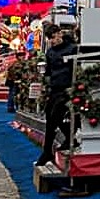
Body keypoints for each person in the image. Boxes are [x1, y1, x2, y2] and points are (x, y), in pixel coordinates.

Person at [35, 27, 78, 167]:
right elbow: (49, 71)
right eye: (51, 38)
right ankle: (68, 139)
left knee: (55, 116)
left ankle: (48, 151)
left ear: (60, 34)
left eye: (56, 36)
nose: (54, 40)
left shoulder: (72, 48)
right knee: (50, 116)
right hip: (55, 88)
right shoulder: (50, 52)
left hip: (67, 88)